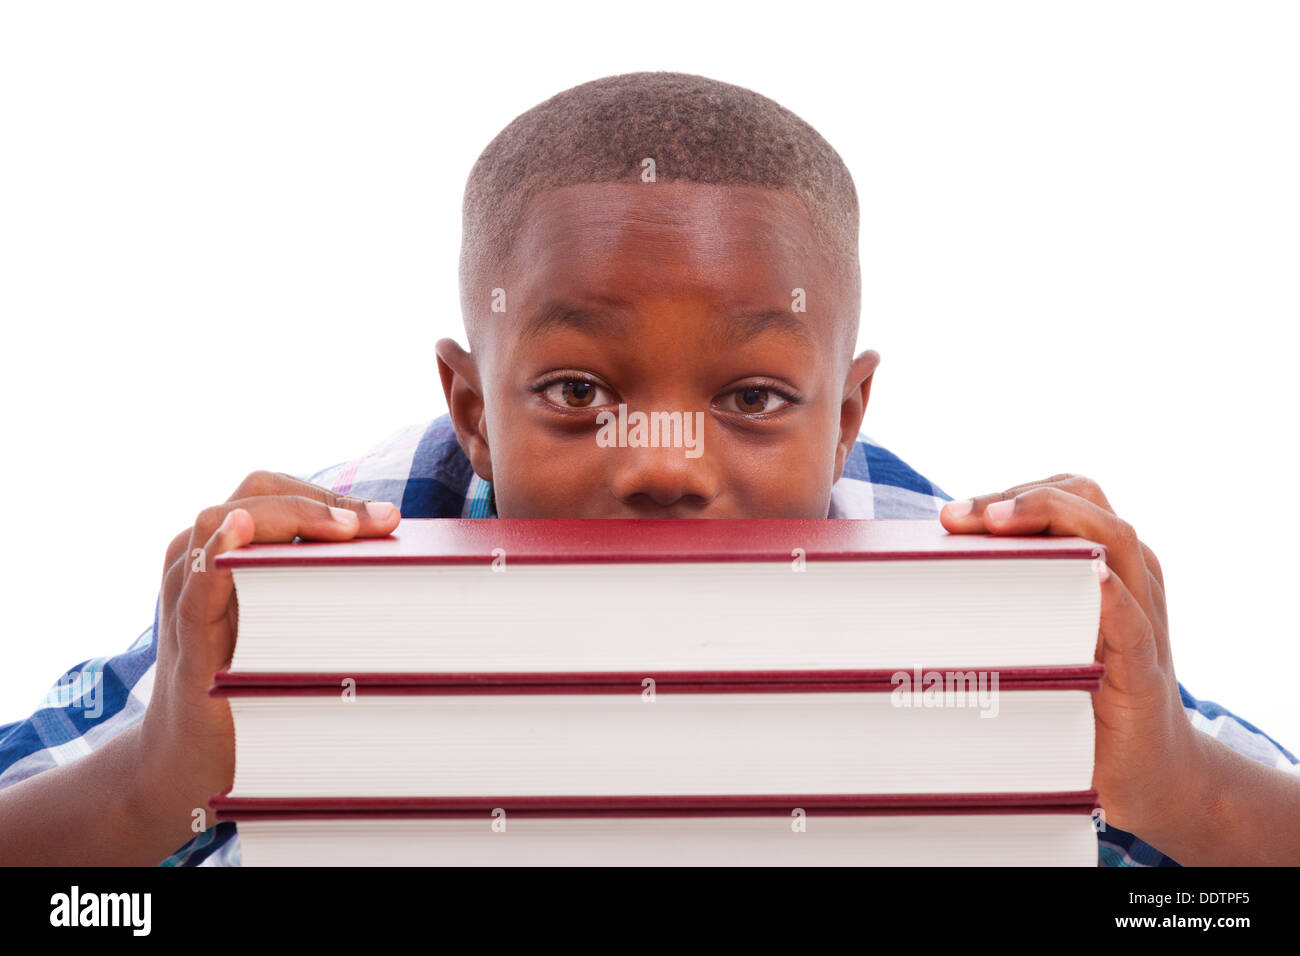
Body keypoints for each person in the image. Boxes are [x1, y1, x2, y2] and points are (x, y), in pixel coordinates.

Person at [2, 72, 1297, 866]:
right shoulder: (309, 573)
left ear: (845, 419)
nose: (666, 466)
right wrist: (150, 784)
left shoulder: (945, 571)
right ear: (470, 408)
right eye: (576, 392)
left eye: (751, 398)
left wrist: (1176, 783)